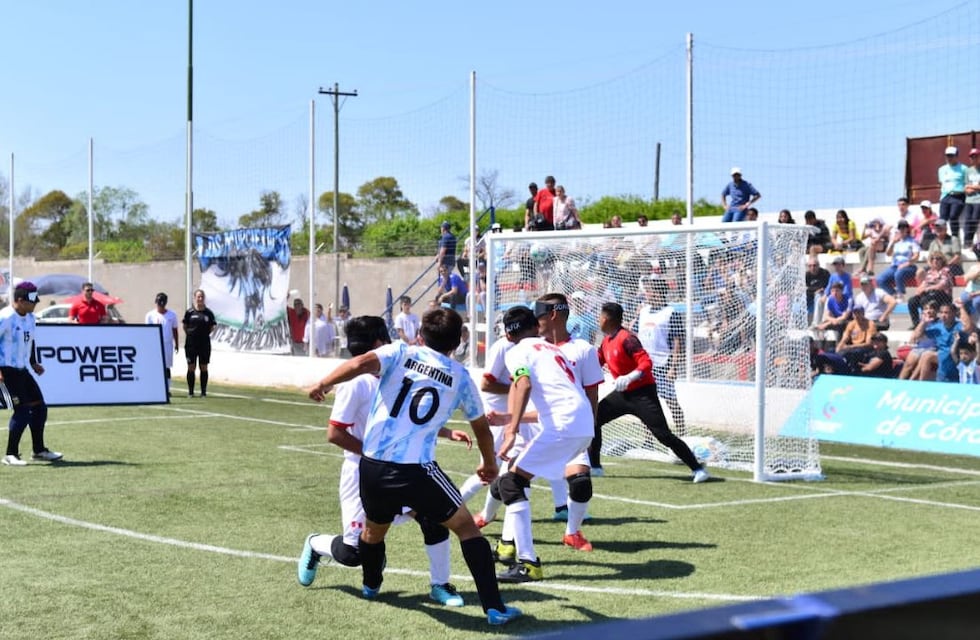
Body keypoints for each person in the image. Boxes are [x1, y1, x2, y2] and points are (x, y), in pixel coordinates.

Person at [305, 307, 521, 626]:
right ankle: (495, 608)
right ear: (458, 342)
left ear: (421, 333)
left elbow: (359, 362)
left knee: (374, 531)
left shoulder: (401, 352)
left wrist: (323, 383)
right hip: (416, 470)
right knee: (466, 528)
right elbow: (481, 428)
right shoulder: (460, 376)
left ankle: (370, 585)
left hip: (373, 466)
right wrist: (489, 464)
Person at [297, 315, 474, 608]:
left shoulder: (397, 372)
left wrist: (445, 431)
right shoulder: (356, 384)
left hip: (403, 468)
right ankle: (316, 544)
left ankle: (440, 585)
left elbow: (407, 417)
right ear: (379, 343)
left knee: (433, 520)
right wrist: (373, 456)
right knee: (353, 554)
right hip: (364, 472)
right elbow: (335, 434)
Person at [492, 305, 596, 582]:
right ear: (535, 327)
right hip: (582, 423)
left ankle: (527, 562)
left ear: (508, 333)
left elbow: (522, 384)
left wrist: (511, 430)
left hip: (563, 425)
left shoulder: (517, 351)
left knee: (510, 483)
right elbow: (554, 402)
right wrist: (508, 418)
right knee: (514, 477)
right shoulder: (553, 349)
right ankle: (506, 545)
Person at [589, 302, 708, 482]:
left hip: (643, 394)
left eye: (600, 316)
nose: (598, 320)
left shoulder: (627, 338)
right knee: (593, 420)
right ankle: (596, 467)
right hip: (622, 395)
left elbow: (646, 363)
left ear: (606, 319)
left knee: (663, 435)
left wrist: (629, 377)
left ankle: (698, 469)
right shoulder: (606, 342)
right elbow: (595, 363)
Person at [0, 282, 62, 466]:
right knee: (22, 411)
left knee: (39, 407)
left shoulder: (30, 318)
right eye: (31, 301)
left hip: (22, 370)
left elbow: (30, 341)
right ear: (19, 300)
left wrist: (33, 362)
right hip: (6, 370)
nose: (34, 304)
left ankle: (39, 450)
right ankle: (10, 455)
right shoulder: (4, 317)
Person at [635, 278, 687, 435]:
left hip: (662, 364)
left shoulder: (671, 313)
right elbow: (636, 334)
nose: (647, 294)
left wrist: (673, 367)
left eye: (650, 290)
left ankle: (682, 434)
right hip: (644, 365)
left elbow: (678, 342)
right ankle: (648, 439)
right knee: (645, 403)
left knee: (671, 401)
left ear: (658, 293)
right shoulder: (643, 312)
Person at [183, 289, 217, 397]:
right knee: (191, 367)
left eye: (202, 296)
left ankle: (203, 392)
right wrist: (191, 335)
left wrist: (203, 334)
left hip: (204, 344)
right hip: (191, 344)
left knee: (203, 367)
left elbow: (212, 327)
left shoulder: (208, 313)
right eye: (198, 297)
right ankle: (191, 392)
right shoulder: (189, 312)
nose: (200, 299)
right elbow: (185, 326)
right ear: (195, 298)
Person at [906, 252, 954, 328]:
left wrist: (928, 288)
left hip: (943, 296)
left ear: (942, 261)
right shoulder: (930, 272)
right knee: (912, 301)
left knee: (925, 299)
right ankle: (916, 324)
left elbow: (942, 285)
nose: (935, 260)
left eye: (938, 258)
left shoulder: (946, 271)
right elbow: (924, 283)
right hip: (930, 294)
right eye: (933, 259)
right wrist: (919, 290)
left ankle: (928, 321)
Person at [145, 292, 179, 397]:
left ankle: (167, 389)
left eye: (162, 303)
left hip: (167, 344)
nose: (160, 305)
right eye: (159, 303)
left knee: (166, 367)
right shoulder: (150, 315)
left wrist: (176, 343)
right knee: (154, 367)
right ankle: (153, 387)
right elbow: (147, 331)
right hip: (155, 345)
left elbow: (174, 330)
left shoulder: (172, 315)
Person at [877, 220, 920, 302]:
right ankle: (894, 294)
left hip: (909, 266)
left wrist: (907, 263)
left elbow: (916, 256)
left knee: (898, 273)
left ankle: (901, 295)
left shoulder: (912, 241)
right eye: (900, 228)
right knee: (880, 279)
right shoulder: (896, 241)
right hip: (895, 266)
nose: (902, 229)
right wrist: (893, 242)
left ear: (907, 229)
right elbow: (888, 253)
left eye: (904, 227)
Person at [834, 305, 877, 371]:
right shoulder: (851, 323)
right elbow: (845, 337)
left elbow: (869, 343)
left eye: (858, 313)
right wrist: (839, 346)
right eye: (855, 313)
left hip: (865, 348)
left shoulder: (870, 324)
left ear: (863, 313)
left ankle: (853, 371)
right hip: (853, 347)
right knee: (834, 351)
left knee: (854, 353)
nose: (856, 315)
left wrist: (850, 347)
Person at [938, 146, 968, 241]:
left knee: (953, 216)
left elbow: (967, 183)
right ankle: (942, 238)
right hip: (945, 196)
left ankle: (955, 238)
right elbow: (941, 182)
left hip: (958, 196)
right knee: (942, 219)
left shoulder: (964, 168)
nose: (949, 158)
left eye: (951, 156)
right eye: (947, 156)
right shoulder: (941, 169)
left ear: (957, 156)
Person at [805, 258, 831, 325]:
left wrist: (811, 289)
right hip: (809, 296)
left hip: (822, 295)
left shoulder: (825, 273)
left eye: (814, 265)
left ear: (818, 265)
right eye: (810, 266)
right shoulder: (806, 275)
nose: (812, 267)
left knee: (818, 296)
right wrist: (814, 290)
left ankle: (817, 323)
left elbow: (825, 287)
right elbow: (804, 288)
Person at [965, 149, 980, 253]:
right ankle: (967, 243)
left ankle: (973, 243)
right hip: (968, 200)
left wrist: (971, 187)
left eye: (976, 156)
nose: (974, 158)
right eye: (972, 157)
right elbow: (965, 187)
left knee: (975, 220)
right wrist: (970, 188)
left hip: (978, 200)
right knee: (968, 222)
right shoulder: (967, 170)